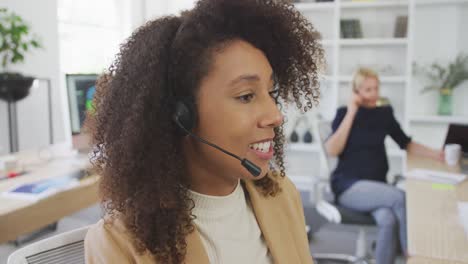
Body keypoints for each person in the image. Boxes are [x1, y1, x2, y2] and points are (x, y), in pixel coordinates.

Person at [84, 0, 324, 263]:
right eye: (246, 96)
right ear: (180, 116)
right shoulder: (118, 242)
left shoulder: (281, 195)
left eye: (271, 93)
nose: (276, 116)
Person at [325, 68, 444, 264]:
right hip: (349, 186)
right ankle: (414, 257)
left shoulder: (385, 114)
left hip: (377, 187)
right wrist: (352, 112)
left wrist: (437, 154)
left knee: (388, 220)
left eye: (376, 88)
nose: (374, 94)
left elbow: (406, 143)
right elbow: (332, 149)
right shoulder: (344, 113)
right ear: (356, 92)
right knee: (400, 197)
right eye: (368, 89)